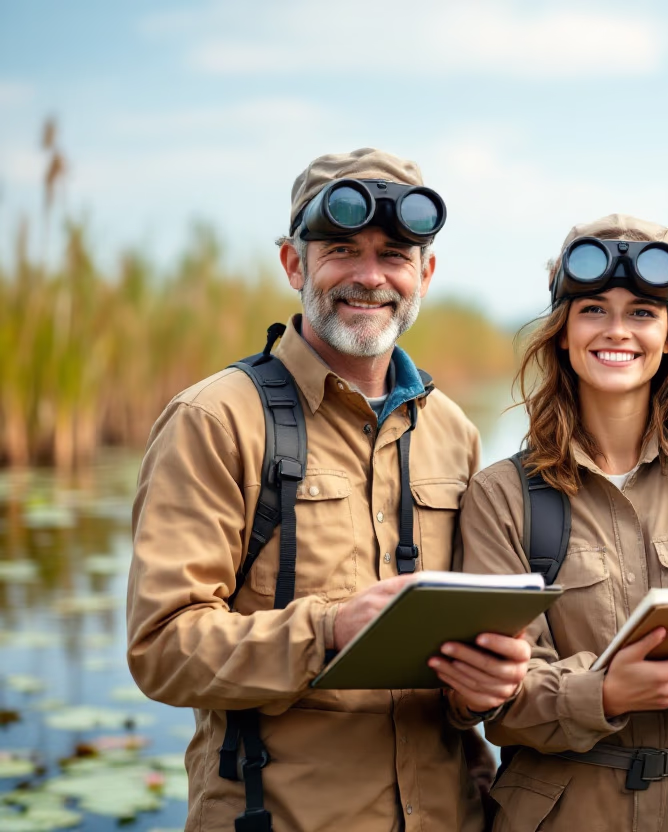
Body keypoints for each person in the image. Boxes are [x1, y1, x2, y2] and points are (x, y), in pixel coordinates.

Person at [126, 148, 530, 832]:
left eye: (395, 255)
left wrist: (488, 680)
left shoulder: (452, 430)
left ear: (425, 274)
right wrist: (331, 629)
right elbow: (162, 648)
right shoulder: (216, 418)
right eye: (342, 249)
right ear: (294, 264)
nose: (370, 277)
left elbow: (464, 660)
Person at [459, 214, 668, 831]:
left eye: (642, 311)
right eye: (593, 310)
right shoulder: (502, 493)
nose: (618, 331)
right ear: (562, 333)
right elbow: (492, 700)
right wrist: (606, 693)